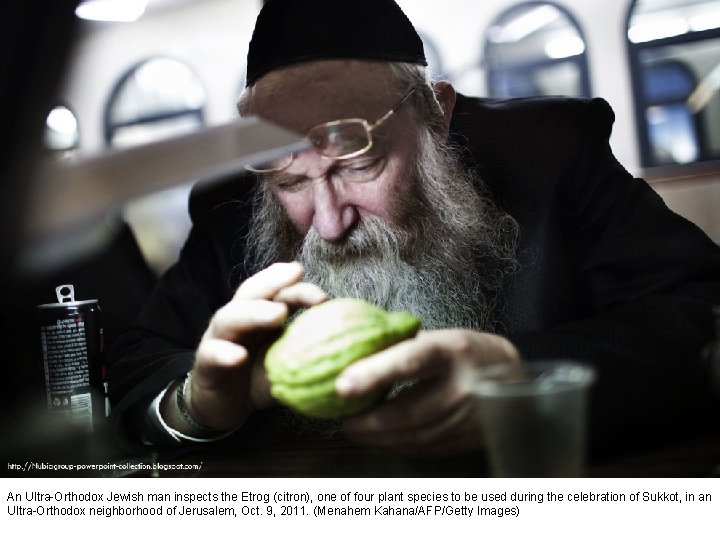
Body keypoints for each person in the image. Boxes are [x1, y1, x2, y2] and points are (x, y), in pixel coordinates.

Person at [107, 0, 720, 470]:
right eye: (293, 183)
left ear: (437, 114)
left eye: (360, 165)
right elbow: (134, 362)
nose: (328, 222)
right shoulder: (226, 208)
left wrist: (519, 378)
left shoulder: (555, 154)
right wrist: (198, 403)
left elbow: (702, 314)